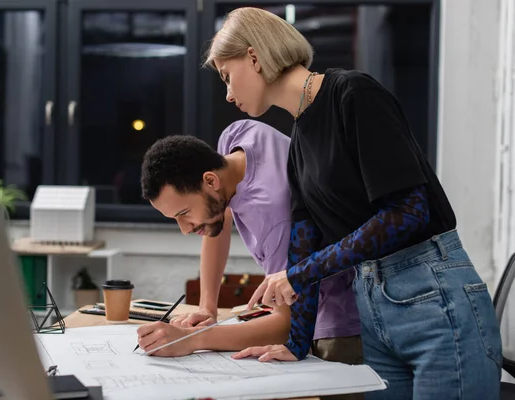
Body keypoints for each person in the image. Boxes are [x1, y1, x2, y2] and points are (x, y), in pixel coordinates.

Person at [202, 6, 502, 400]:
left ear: (254, 57)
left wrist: (298, 273)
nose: (227, 93)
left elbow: (408, 214)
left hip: (433, 298)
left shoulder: (353, 94)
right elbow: (303, 246)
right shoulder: (299, 145)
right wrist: (295, 342)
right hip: (373, 313)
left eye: (227, 76)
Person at [138, 120, 362, 372]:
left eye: (185, 213)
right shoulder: (239, 136)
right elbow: (219, 217)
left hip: (336, 326)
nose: (185, 229)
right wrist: (206, 307)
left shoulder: (276, 217)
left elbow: (285, 324)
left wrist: (190, 339)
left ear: (210, 181)